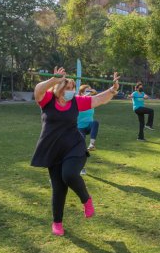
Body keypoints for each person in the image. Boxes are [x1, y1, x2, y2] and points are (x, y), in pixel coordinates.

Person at [31, 67, 120, 236]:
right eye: (68, 88)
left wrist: (112, 90)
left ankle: (86, 200)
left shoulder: (76, 101)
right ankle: (57, 223)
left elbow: (98, 100)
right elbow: (38, 90)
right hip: (53, 148)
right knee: (58, 188)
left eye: (73, 88)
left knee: (70, 175)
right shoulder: (47, 100)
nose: (71, 91)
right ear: (58, 88)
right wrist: (53, 79)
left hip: (74, 145)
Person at [77, 85, 99, 151]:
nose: (89, 92)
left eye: (90, 90)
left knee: (95, 122)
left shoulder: (91, 101)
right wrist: (89, 93)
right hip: (79, 128)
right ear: (81, 93)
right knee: (81, 145)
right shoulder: (77, 100)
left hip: (89, 126)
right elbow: (81, 100)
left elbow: (100, 97)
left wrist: (95, 92)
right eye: (87, 91)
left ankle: (92, 144)